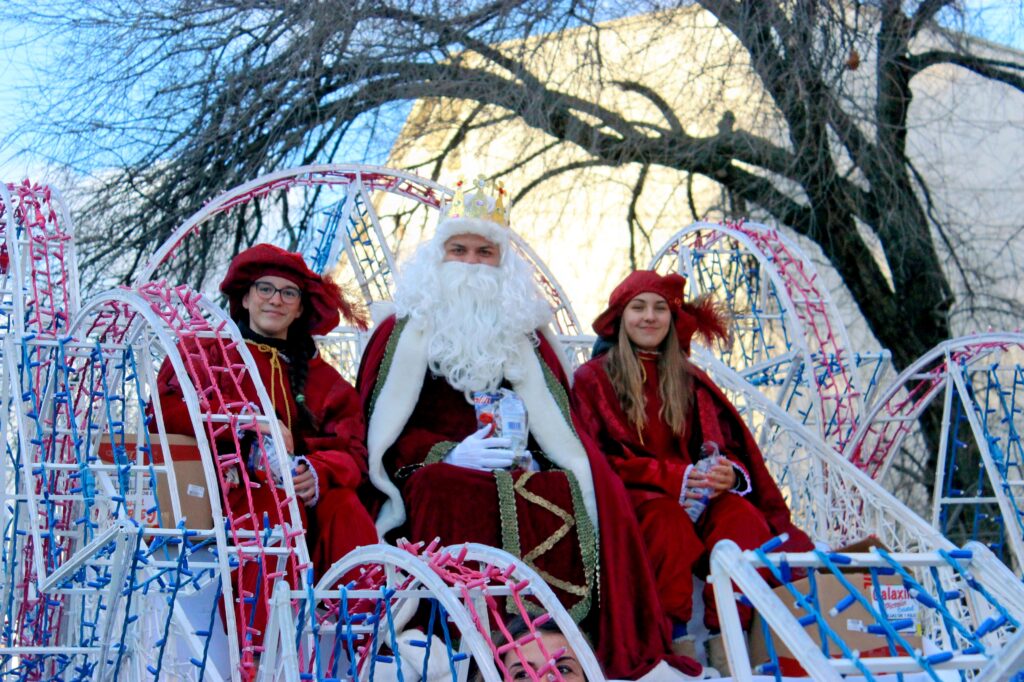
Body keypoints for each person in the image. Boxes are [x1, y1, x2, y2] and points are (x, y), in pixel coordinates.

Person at [356, 178, 700, 680]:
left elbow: (562, 428)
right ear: (438, 255)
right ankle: (446, 635)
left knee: (565, 485)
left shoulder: (527, 336)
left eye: (484, 251)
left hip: (517, 466)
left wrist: (533, 455)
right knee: (442, 487)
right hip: (434, 471)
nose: (472, 263)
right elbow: (378, 432)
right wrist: (446, 453)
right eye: (459, 250)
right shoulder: (401, 331)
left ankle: (550, 632)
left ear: (503, 261)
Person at [571, 270, 814, 668]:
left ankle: (727, 639)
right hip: (636, 498)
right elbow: (594, 457)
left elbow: (729, 446)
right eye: (638, 307)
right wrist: (671, 478)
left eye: (659, 308)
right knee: (666, 522)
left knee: (742, 517)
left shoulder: (690, 379)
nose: (649, 317)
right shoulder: (592, 380)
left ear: (672, 318)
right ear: (619, 316)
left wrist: (729, 475)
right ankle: (677, 642)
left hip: (700, 497)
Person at [154, 244, 379, 672]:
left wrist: (316, 472)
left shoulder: (323, 378)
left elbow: (352, 447)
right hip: (232, 491)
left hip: (304, 503)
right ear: (244, 297)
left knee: (346, 506)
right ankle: (261, 655)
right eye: (265, 289)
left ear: (299, 310)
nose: (275, 299)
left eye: (288, 294)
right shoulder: (206, 354)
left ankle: (369, 633)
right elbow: (165, 412)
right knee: (265, 511)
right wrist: (239, 424)